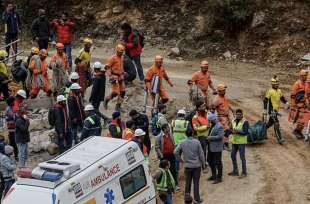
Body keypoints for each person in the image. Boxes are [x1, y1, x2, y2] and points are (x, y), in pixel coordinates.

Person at [174, 127, 205, 204]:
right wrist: (204, 164)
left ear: (186, 134)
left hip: (187, 166)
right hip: (196, 166)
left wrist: (181, 160)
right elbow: (201, 155)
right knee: (196, 183)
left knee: (187, 183)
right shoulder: (197, 142)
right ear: (192, 133)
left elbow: (175, 152)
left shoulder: (182, 142)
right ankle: (197, 199)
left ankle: (187, 200)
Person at [155, 123, 179, 191]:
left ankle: (175, 185)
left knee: (173, 170)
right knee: (166, 172)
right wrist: (161, 156)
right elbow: (157, 148)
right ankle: (167, 186)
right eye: (168, 127)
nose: (169, 128)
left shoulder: (170, 134)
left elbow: (173, 142)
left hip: (172, 155)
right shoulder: (158, 137)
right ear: (165, 129)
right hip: (165, 157)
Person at [104, 44, 126, 111]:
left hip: (120, 76)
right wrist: (110, 76)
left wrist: (123, 73)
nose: (121, 53)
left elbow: (121, 66)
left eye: (122, 52)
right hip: (114, 76)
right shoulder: (112, 58)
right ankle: (107, 100)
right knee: (116, 92)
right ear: (117, 51)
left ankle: (118, 106)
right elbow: (107, 67)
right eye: (120, 52)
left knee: (123, 92)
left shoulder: (122, 57)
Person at [212, 84, 234, 149]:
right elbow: (212, 108)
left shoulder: (224, 97)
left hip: (227, 116)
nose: (225, 91)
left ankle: (224, 142)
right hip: (222, 117)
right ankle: (224, 144)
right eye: (223, 90)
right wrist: (216, 117)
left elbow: (227, 104)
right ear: (219, 91)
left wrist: (232, 110)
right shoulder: (217, 100)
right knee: (226, 130)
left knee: (230, 129)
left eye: (224, 90)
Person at [229, 109, 249, 178]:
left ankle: (244, 172)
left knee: (242, 157)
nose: (238, 116)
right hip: (234, 142)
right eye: (237, 114)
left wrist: (237, 131)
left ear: (242, 115)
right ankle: (235, 171)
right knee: (232, 155)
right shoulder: (233, 120)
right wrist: (231, 131)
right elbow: (231, 129)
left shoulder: (245, 122)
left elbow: (246, 132)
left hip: (241, 142)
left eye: (240, 114)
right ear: (235, 114)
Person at [289, 70, 308, 139]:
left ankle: (299, 131)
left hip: (304, 104)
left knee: (304, 119)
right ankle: (297, 131)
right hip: (298, 104)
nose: (305, 77)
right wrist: (293, 105)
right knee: (301, 119)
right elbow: (293, 95)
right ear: (300, 76)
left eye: (306, 76)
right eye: (303, 76)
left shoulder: (306, 84)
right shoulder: (297, 84)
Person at [207, 113, 224, 184]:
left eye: (210, 120)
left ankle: (219, 177)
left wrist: (210, 138)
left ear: (213, 120)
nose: (209, 122)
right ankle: (214, 175)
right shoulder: (213, 125)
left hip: (217, 147)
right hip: (211, 147)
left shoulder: (219, 126)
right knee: (209, 160)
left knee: (218, 162)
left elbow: (220, 136)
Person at [5, 96, 18, 160]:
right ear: (10, 102)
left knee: (12, 142)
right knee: (13, 143)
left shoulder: (10, 108)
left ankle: (12, 156)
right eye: (13, 101)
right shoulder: (9, 109)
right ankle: (15, 156)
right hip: (12, 129)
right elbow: (14, 117)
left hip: (12, 128)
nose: (14, 102)